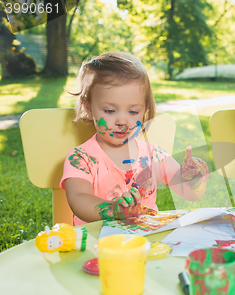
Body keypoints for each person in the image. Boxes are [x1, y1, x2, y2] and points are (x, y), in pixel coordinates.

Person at [61, 52, 209, 225]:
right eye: (109, 111)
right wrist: (112, 209)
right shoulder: (81, 159)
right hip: (96, 244)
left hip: (145, 242)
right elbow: (78, 199)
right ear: (88, 107)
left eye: (133, 112)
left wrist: (194, 179)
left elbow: (189, 194)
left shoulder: (153, 155)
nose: (122, 121)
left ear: (145, 109)